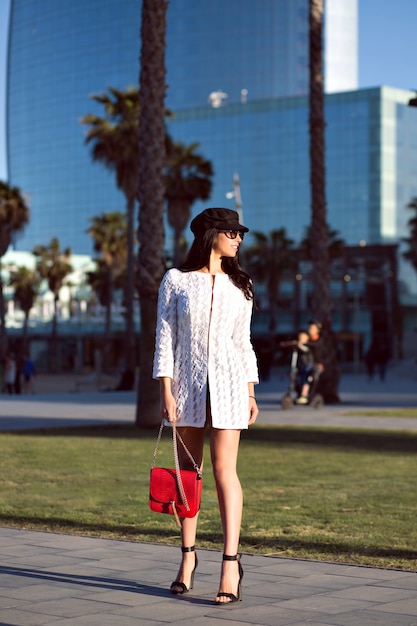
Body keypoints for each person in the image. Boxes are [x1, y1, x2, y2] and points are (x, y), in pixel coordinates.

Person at [153, 207, 259, 605]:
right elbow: (166, 340)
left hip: (230, 387)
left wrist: (250, 392)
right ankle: (187, 559)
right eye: (231, 232)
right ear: (210, 234)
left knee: (223, 471)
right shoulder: (176, 281)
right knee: (187, 475)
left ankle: (230, 564)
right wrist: (166, 390)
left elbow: (242, 343)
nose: (238, 239)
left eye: (240, 234)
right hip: (187, 388)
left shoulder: (241, 285)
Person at [294, 330, 315, 404]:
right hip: (300, 367)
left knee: (306, 380)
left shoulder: (309, 346)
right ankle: (299, 394)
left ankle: (304, 395)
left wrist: (299, 345)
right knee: (295, 379)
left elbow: (306, 350)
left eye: (303, 337)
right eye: (300, 337)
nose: (301, 338)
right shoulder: (297, 347)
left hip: (308, 367)